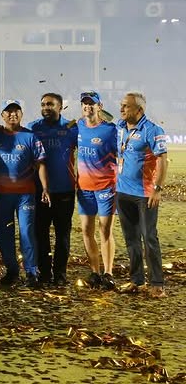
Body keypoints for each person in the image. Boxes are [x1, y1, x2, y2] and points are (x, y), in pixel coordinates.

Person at [0, 99, 49, 288]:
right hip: (2, 195)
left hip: (25, 195)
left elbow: (40, 163)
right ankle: (12, 270)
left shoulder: (30, 137)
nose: (12, 114)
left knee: (26, 232)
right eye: (8, 111)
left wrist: (45, 187)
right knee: (3, 233)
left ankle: (31, 272)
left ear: (22, 114)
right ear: (2, 115)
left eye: (16, 111)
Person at [116, 91, 168, 297]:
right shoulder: (120, 127)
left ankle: (157, 283)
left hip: (145, 194)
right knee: (131, 240)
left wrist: (158, 189)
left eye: (126, 106)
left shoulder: (152, 130)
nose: (121, 109)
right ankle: (136, 280)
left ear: (139, 110)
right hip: (122, 192)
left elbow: (162, 160)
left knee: (149, 238)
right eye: (121, 105)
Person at [28, 93, 79, 286]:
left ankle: (60, 273)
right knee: (40, 234)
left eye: (50, 104)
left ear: (61, 106)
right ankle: (44, 273)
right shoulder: (33, 128)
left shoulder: (71, 128)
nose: (46, 107)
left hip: (64, 189)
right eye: (43, 104)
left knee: (62, 235)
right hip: (39, 190)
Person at [76, 91, 118, 290]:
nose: (87, 106)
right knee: (86, 230)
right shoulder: (78, 126)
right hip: (84, 188)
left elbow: (122, 153)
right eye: (84, 103)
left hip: (106, 187)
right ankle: (95, 271)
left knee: (105, 230)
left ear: (99, 106)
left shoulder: (110, 130)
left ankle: (108, 273)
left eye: (91, 103)